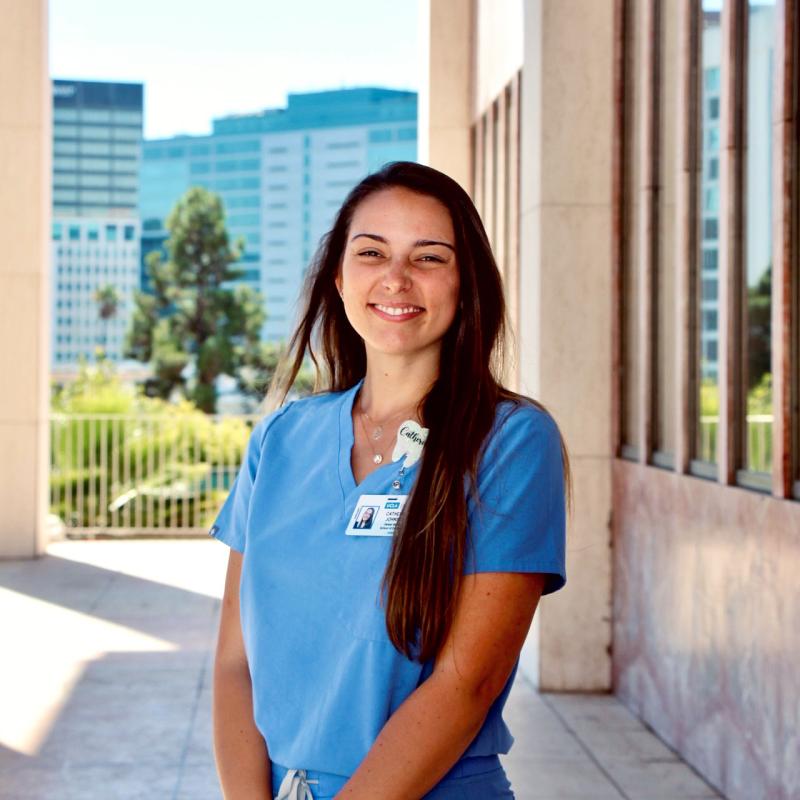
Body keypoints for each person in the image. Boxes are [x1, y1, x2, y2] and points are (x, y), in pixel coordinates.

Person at [210, 161, 572, 800]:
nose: (396, 279)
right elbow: (235, 664)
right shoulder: (281, 439)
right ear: (339, 278)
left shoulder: (511, 440)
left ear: (466, 285)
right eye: (371, 252)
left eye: (429, 258)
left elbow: (468, 683)